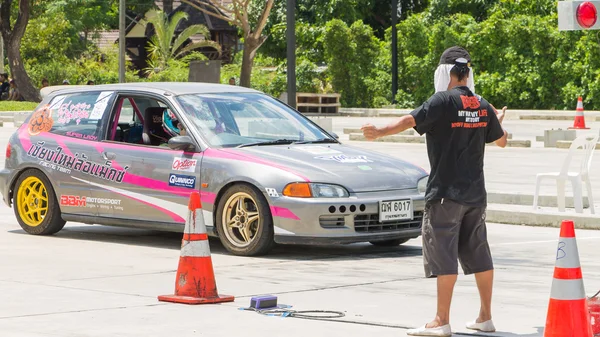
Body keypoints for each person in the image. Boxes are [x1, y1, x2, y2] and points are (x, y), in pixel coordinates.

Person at [361, 46, 508, 337]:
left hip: (445, 195)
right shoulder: (482, 104)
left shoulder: (441, 101)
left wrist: (378, 131)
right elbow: (502, 142)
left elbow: (408, 120)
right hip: (475, 196)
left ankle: (441, 320)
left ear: (445, 72)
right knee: (479, 254)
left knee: (444, 255)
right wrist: (496, 122)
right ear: (467, 73)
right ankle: (485, 317)